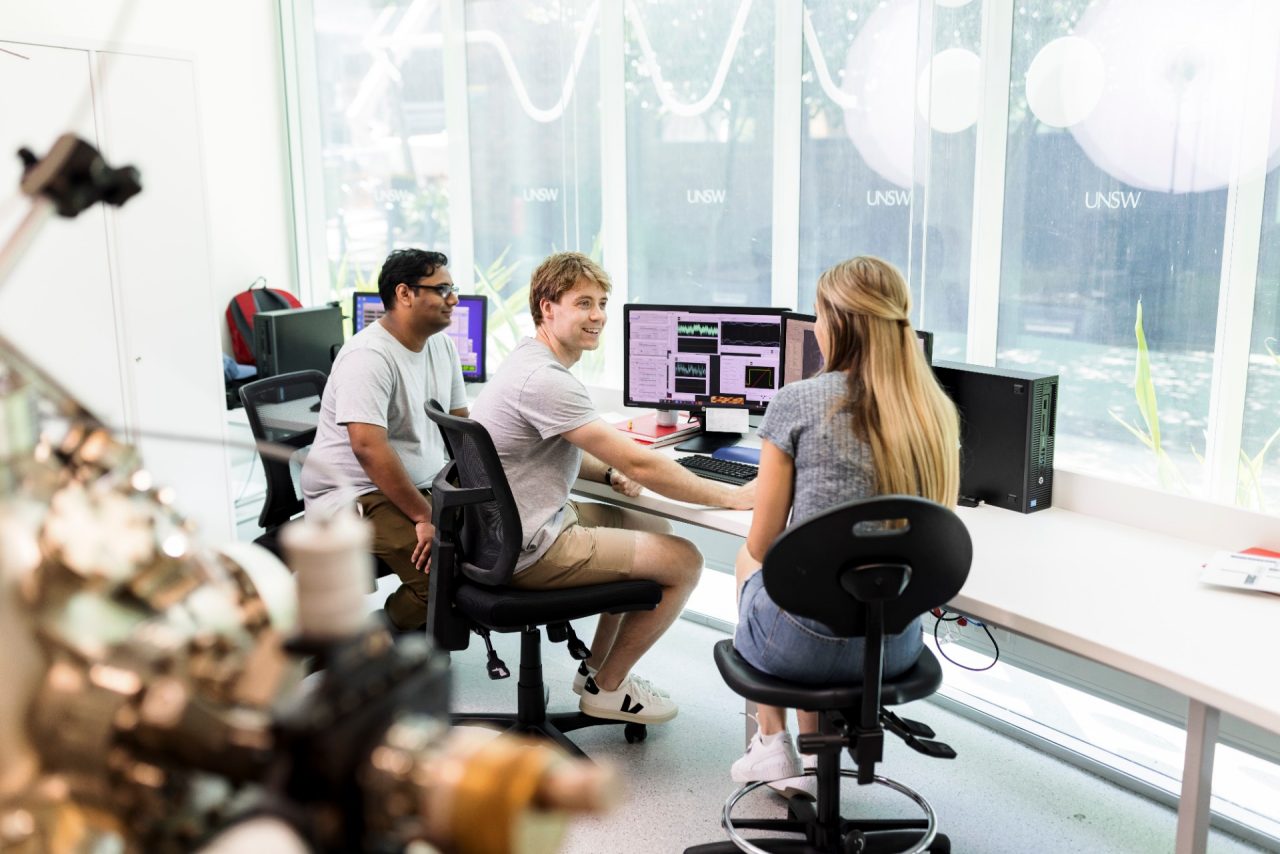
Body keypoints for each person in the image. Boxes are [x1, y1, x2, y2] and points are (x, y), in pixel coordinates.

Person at [471, 252, 756, 726]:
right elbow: (639, 460)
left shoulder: (527, 360)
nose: (599, 315)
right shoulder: (545, 380)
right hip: (530, 548)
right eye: (584, 303)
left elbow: (566, 447)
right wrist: (729, 495)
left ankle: (595, 670)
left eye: (602, 302)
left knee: (651, 522)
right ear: (547, 307)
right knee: (685, 560)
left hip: (507, 533)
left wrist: (605, 475)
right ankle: (608, 689)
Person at [728, 256, 960, 798]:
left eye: (818, 316)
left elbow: (764, 545)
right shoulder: (934, 412)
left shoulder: (797, 401)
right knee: (819, 586)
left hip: (799, 649)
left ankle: (771, 742)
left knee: (753, 563)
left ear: (836, 322)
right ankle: (811, 767)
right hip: (892, 648)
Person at [301, 248, 469, 631]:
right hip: (358, 492)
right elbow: (368, 449)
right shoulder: (368, 356)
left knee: (494, 543)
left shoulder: (441, 345)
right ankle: (372, 640)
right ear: (405, 294)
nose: (454, 300)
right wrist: (424, 515)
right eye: (442, 290)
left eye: (453, 288)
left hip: (424, 480)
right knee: (441, 580)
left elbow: (459, 422)